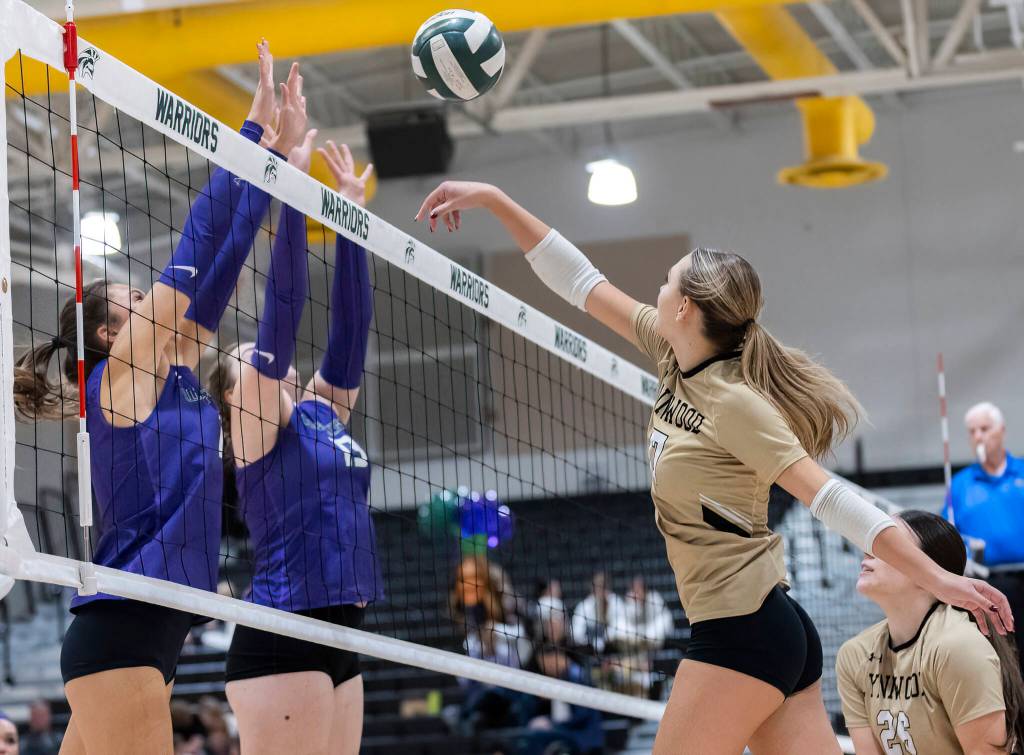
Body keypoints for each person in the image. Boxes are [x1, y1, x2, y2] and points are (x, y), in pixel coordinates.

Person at [414, 181, 1014, 755]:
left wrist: (941, 582)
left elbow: (828, 497)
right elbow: (578, 281)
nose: (657, 288)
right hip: (762, 627)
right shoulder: (671, 351)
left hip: (742, 628)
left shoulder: (736, 403)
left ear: (687, 307)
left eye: (666, 280)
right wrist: (493, 199)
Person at [12, 44, 307, 755]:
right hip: (126, 624)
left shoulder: (170, 368)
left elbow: (228, 256)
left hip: (152, 625)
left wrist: (274, 166)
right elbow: (198, 240)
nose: (152, 298)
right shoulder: (120, 376)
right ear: (113, 332)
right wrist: (249, 136)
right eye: (136, 298)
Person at [213, 136, 382, 755]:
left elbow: (351, 329)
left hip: (347, 628)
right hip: (286, 631)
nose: (265, 371)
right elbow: (280, 315)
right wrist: (291, 195)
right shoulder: (255, 431)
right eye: (249, 368)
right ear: (235, 395)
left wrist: (347, 215)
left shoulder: (321, 411)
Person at [837, 510, 1024, 754]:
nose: (869, 550)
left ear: (928, 570)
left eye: (887, 544)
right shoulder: (854, 654)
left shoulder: (958, 647)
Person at [946, 401, 1024, 662]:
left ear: (1001, 430)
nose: (978, 436)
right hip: (991, 585)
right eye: (972, 431)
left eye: (984, 428)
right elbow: (949, 533)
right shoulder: (960, 484)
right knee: (1005, 657)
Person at [607, 576, 673, 696]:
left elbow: (661, 630)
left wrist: (642, 639)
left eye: (639, 589)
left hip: (653, 659)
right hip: (630, 659)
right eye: (634, 589)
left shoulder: (655, 601)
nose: (637, 593)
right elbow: (615, 631)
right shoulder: (626, 605)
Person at [572, 572, 624, 654]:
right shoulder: (583, 606)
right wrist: (593, 642)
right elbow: (576, 633)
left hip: (613, 648)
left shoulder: (616, 602)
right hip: (588, 650)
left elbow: (621, 627)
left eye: (603, 585)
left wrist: (604, 640)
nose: (600, 589)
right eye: (597, 586)